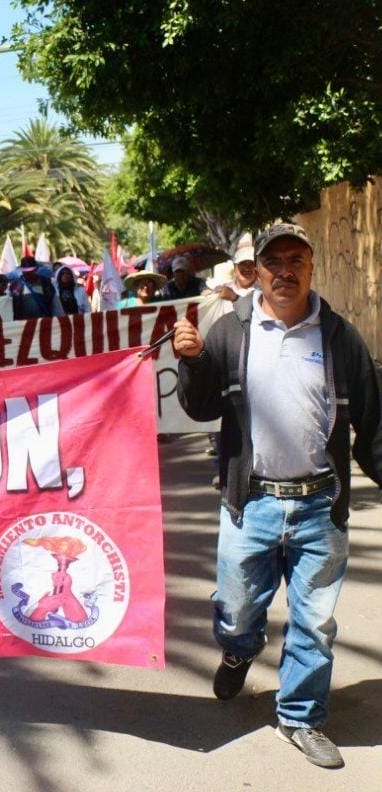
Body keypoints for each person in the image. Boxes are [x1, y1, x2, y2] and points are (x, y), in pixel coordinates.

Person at [173, 223, 381, 769]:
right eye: (273, 262)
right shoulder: (230, 332)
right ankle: (240, 650)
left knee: (314, 621)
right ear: (257, 270)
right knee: (238, 609)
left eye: (296, 260)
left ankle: (301, 716)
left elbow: (373, 423)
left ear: (311, 268)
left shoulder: (339, 336)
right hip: (252, 504)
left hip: (320, 506)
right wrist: (191, 362)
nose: (284, 271)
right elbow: (199, 408)